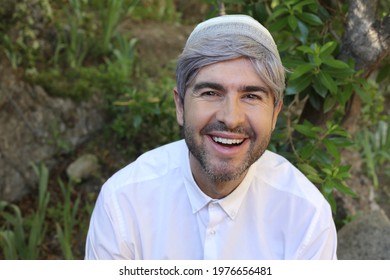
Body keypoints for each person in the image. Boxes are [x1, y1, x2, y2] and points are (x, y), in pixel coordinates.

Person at [85, 14, 337, 260]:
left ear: (275, 114)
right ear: (181, 106)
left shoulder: (306, 217)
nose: (231, 118)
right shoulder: (123, 203)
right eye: (210, 92)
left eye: (251, 96)